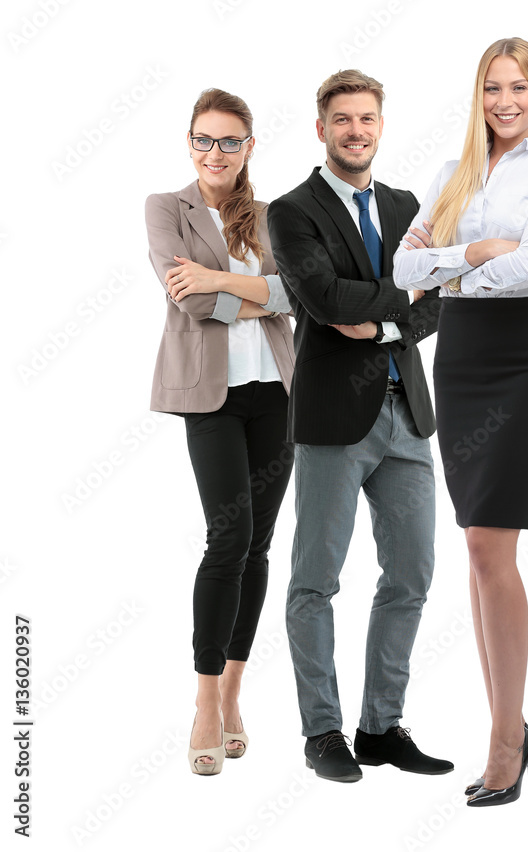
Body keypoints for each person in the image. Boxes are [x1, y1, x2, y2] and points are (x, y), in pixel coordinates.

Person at [393, 37, 528, 807]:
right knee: (476, 549)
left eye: (520, 89)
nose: (506, 102)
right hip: (463, 358)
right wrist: (475, 250)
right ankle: (510, 725)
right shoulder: (448, 172)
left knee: (488, 545)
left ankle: (507, 738)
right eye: (494, 88)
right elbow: (402, 273)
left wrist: (450, 262)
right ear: (478, 94)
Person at [266, 69, 450, 784]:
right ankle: (323, 732)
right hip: (334, 420)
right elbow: (319, 294)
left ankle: (380, 727)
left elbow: (435, 302)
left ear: (381, 123)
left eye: (366, 118)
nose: (355, 131)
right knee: (316, 578)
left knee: (411, 574)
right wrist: (400, 301)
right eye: (342, 120)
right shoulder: (294, 211)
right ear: (321, 129)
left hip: (409, 414)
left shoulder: (407, 204)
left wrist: (376, 317)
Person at [145, 88, 295, 775]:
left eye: (230, 141)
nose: (216, 152)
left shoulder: (271, 216)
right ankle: (205, 701)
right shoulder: (165, 209)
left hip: (279, 393)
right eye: (204, 139)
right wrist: (249, 292)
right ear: (190, 142)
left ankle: (235, 691)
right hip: (210, 397)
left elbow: (299, 297)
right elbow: (192, 298)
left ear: (249, 147)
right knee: (227, 536)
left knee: (259, 544)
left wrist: (240, 286)